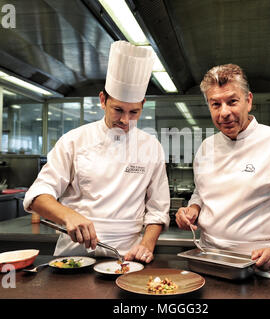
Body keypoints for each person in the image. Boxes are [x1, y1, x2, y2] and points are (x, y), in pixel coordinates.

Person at [23, 41, 170, 263]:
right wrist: (67, 215)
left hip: (127, 258)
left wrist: (146, 245)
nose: (125, 120)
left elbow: (158, 210)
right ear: (103, 100)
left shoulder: (151, 147)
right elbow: (37, 197)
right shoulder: (74, 140)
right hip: (75, 254)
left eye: (134, 112)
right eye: (118, 110)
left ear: (143, 105)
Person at [175, 64, 270, 271]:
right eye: (215, 104)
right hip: (211, 260)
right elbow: (201, 191)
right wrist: (193, 209)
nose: (224, 112)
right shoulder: (206, 148)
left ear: (249, 101)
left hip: (262, 263)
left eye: (232, 101)